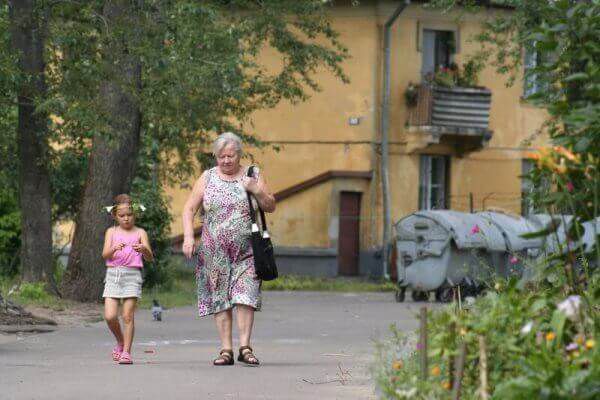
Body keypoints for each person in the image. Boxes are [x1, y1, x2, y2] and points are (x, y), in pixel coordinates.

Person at [182, 132, 275, 366]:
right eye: (221, 156)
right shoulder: (207, 177)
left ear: (239, 155)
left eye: (230, 156)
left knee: (246, 296)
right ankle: (226, 350)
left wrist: (256, 189)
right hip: (214, 252)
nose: (225, 160)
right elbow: (188, 209)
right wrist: (187, 237)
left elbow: (270, 205)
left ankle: (245, 347)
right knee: (220, 298)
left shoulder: (252, 174)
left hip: (247, 251)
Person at [101, 194, 153, 365]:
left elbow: (150, 257)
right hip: (113, 275)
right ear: (115, 216)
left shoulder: (140, 232)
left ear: (135, 214)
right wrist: (114, 249)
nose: (126, 218)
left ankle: (126, 353)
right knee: (109, 316)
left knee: (127, 315)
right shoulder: (111, 232)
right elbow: (105, 255)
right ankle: (120, 341)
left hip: (132, 275)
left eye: (129, 215)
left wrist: (143, 249)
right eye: (122, 216)